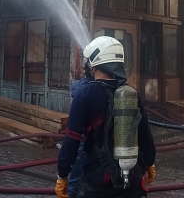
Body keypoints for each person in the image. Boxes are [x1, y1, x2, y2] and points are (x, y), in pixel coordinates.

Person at [55, 36, 156, 198]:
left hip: (97, 180)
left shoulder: (85, 94)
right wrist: (150, 163)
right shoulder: (132, 94)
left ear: (95, 63)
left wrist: (62, 174)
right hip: (131, 177)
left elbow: (71, 139)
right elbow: (145, 134)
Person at [67, 63, 94, 197]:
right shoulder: (95, 89)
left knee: (75, 177)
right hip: (92, 141)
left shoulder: (78, 85)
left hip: (79, 139)